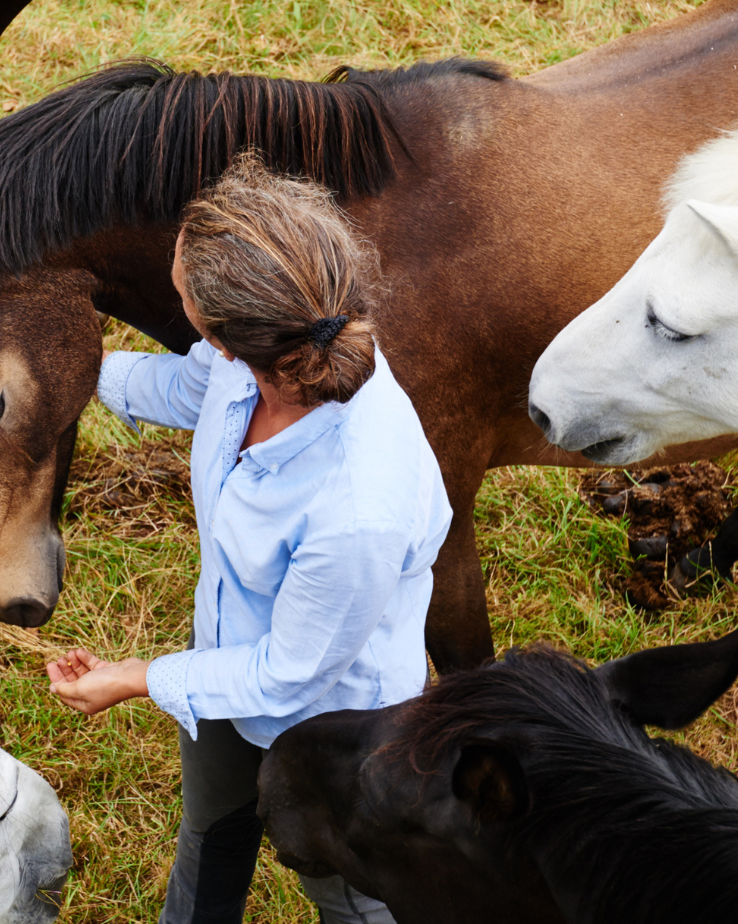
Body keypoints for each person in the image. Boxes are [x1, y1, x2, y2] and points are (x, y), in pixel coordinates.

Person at [46, 153, 451, 924]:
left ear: (228, 335)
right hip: (222, 666)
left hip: (333, 726)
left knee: (348, 890)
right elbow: (191, 389)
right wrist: (70, 363)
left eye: (182, 296)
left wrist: (133, 677)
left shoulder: (355, 509)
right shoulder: (280, 349)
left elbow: (287, 675)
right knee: (211, 830)